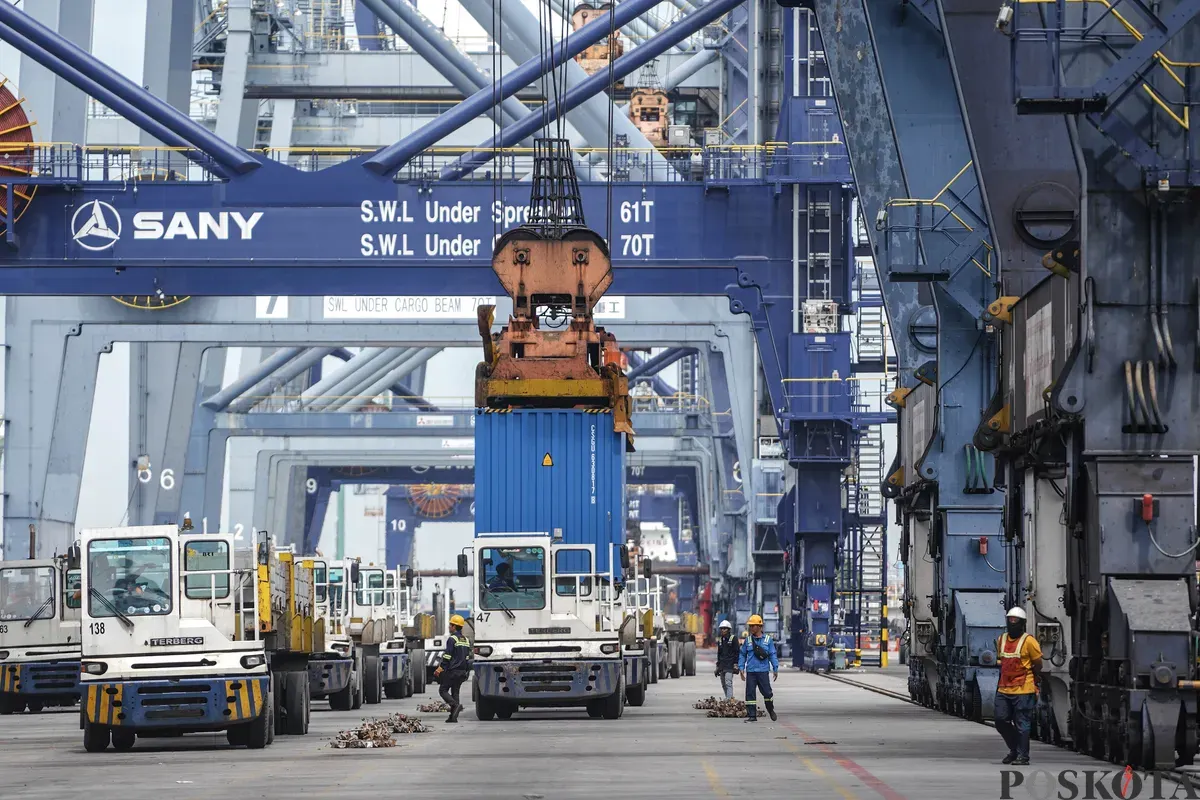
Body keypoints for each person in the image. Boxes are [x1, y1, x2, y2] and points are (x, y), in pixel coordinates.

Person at [995, 607, 1043, 765]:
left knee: (1022, 723)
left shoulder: (1029, 641)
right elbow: (1001, 660)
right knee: (1000, 720)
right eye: (1010, 620)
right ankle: (1014, 749)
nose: (1012, 624)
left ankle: (1023, 756)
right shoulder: (1001, 639)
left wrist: (1034, 679)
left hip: (1024, 688)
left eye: (1016, 621)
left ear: (1022, 624)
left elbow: (1037, 663)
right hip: (1004, 688)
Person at [738, 614, 778, 722]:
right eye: (750, 626)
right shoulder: (748, 640)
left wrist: (775, 668)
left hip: (763, 671)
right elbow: (742, 654)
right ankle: (752, 715)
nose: (750, 628)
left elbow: (772, 654)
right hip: (751, 672)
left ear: (760, 627)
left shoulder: (768, 640)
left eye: (753, 626)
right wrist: (741, 668)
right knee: (750, 693)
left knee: (767, 693)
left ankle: (770, 709)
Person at [433, 613, 472, 723]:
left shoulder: (452, 639)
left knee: (443, 690)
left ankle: (455, 705)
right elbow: (467, 657)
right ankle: (453, 717)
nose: (449, 627)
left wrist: (440, 668)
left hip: (452, 671)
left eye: (451, 625)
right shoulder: (466, 640)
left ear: (454, 626)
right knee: (455, 692)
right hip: (462, 671)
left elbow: (447, 656)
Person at [714, 619, 739, 699]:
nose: (722, 630)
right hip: (722, 666)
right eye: (721, 628)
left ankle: (729, 701)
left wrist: (736, 664)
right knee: (723, 684)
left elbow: (737, 652)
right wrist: (717, 666)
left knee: (728, 683)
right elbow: (719, 654)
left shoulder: (733, 638)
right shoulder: (720, 640)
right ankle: (728, 698)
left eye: (724, 628)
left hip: (730, 665)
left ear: (728, 630)